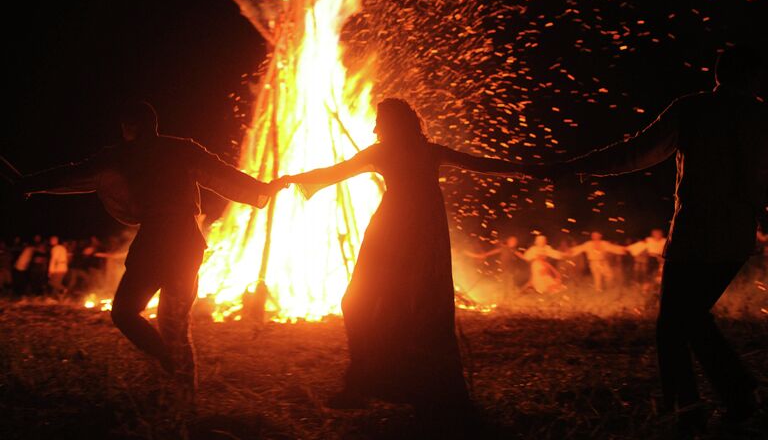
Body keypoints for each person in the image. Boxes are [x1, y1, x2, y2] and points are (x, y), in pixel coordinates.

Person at [552, 47, 768, 433]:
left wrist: (578, 166)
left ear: (718, 75)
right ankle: (727, 397)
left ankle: (691, 408)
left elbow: (638, 151)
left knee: (674, 324)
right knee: (689, 319)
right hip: (735, 235)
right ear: (753, 78)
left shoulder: (695, 108)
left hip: (697, 234)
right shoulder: (759, 114)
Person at [18, 101, 283, 402]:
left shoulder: (121, 155)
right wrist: (264, 188)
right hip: (185, 243)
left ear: (129, 128)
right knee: (174, 323)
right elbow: (223, 175)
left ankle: (172, 370)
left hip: (158, 243)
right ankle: (181, 383)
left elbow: (71, 174)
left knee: (125, 312)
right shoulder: (181, 149)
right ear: (154, 125)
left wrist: (30, 183)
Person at [282, 97, 533, 413]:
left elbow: (335, 172)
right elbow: (481, 163)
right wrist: (529, 170)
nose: (375, 127)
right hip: (413, 231)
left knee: (374, 304)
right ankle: (375, 382)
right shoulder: (428, 151)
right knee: (405, 307)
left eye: (380, 121)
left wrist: (292, 179)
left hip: (396, 231)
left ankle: (371, 384)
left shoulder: (388, 152)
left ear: (389, 123)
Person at [465, 235, 528, 304]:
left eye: (515, 241)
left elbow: (523, 257)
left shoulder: (513, 250)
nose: (514, 242)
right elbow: (490, 253)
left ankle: (507, 299)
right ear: (508, 242)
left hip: (510, 271)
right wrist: (475, 255)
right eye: (512, 241)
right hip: (503, 270)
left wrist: (534, 258)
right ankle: (503, 300)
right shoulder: (503, 248)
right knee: (504, 285)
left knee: (509, 284)